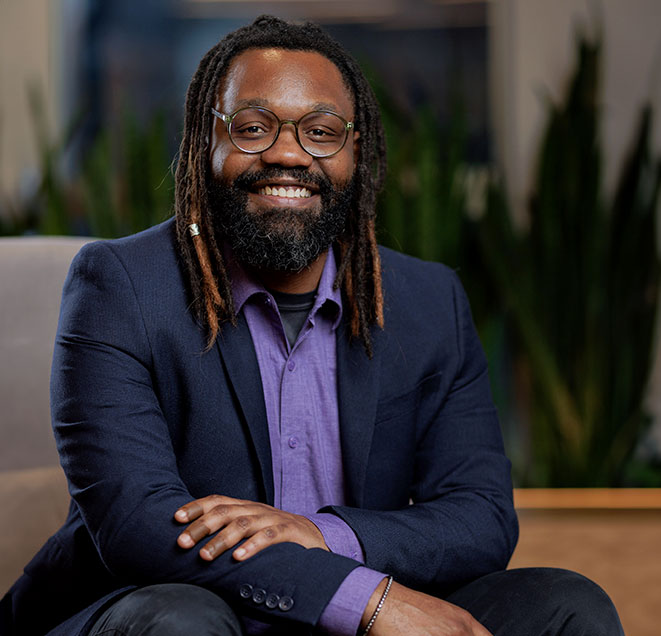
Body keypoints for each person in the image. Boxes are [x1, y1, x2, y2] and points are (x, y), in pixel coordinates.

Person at [1, 15, 624, 636]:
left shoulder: (429, 301)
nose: (287, 154)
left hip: (346, 615)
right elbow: (139, 523)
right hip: (168, 607)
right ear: (205, 143)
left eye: (320, 131)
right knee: (183, 623)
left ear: (358, 151)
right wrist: (369, 601)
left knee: (567, 604)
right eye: (251, 127)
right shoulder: (120, 285)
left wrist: (323, 533)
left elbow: (481, 516)